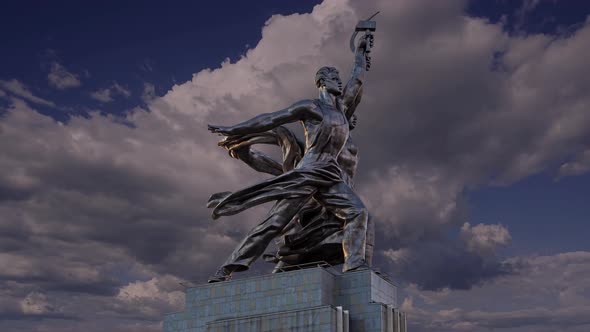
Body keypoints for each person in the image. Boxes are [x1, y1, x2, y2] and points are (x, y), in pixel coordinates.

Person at [207, 33, 374, 282]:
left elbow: (357, 81)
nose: (340, 83)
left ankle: (354, 264)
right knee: (274, 223)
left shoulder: (341, 111)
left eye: (340, 78)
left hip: (329, 176)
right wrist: (236, 129)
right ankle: (227, 269)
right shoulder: (311, 107)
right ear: (322, 81)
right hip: (308, 173)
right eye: (334, 78)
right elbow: (271, 119)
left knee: (358, 212)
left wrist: (360, 54)